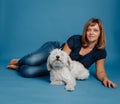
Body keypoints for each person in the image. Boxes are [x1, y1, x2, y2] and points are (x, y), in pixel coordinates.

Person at [7, 18, 117, 88]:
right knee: (31, 60)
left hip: (63, 67)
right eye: (89, 30)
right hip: (56, 52)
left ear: (100, 33)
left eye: (95, 30)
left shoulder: (100, 52)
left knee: (29, 72)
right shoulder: (75, 39)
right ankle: (19, 61)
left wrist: (105, 79)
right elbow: (60, 58)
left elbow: (100, 71)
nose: (91, 33)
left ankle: (18, 67)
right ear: (85, 31)